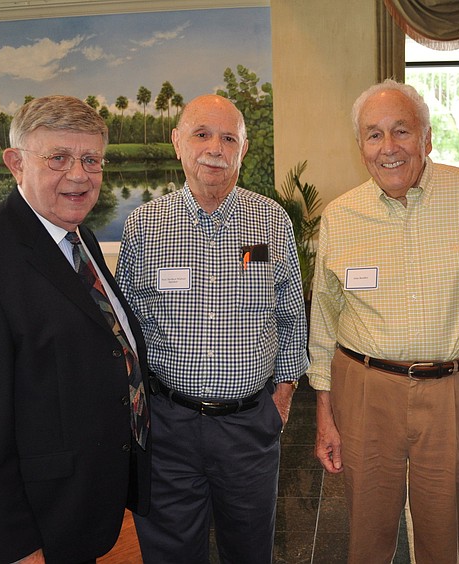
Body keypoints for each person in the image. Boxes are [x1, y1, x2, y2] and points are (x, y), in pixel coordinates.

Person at [0, 95, 151, 564]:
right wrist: (14, 548)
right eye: (58, 158)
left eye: (91, 159)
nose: (79, 175)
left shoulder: (78, 237)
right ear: (15, 163)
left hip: (76, 509)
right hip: (31, 529)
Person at [308, 79, 459, 563]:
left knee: (443, 536)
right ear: (360, 146)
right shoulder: (340, 215)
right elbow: (324, 319)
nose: (389, 147)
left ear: (427, 137)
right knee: (367, 536)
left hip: (455, 391)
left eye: (402, 131)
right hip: (365, 391)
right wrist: (325, 413)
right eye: (374, 135)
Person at [116, 93, 309, 563]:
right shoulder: (144, 226)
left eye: (229, 138)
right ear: (177, 142)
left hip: (247, 428)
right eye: (202, 134)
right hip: (168, 428)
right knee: (170, 553)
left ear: (244, 149)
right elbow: (127, 329)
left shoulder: (271, 222)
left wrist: (282, 396)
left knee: (249, 550)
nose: (215, 148)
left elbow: (290, 315)